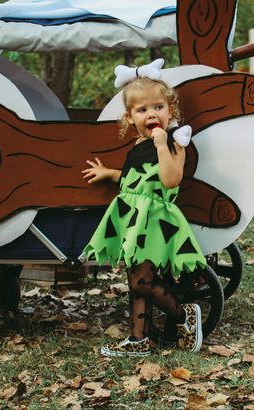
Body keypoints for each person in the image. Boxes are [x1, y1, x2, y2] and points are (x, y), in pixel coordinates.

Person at [82, 59, 206, 357]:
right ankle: (139, 340)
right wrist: (110, 174)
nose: (151, 114)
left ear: (170, 111)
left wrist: (163, 145)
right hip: (134, 220)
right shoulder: (138, 144)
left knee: (141, 282)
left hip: (155, 222)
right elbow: (135, 179)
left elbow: (170, 179)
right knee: (137, 281)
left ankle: (183, 314)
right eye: (142, 110)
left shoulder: (175, 143)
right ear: (130, 117)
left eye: (158, 107)